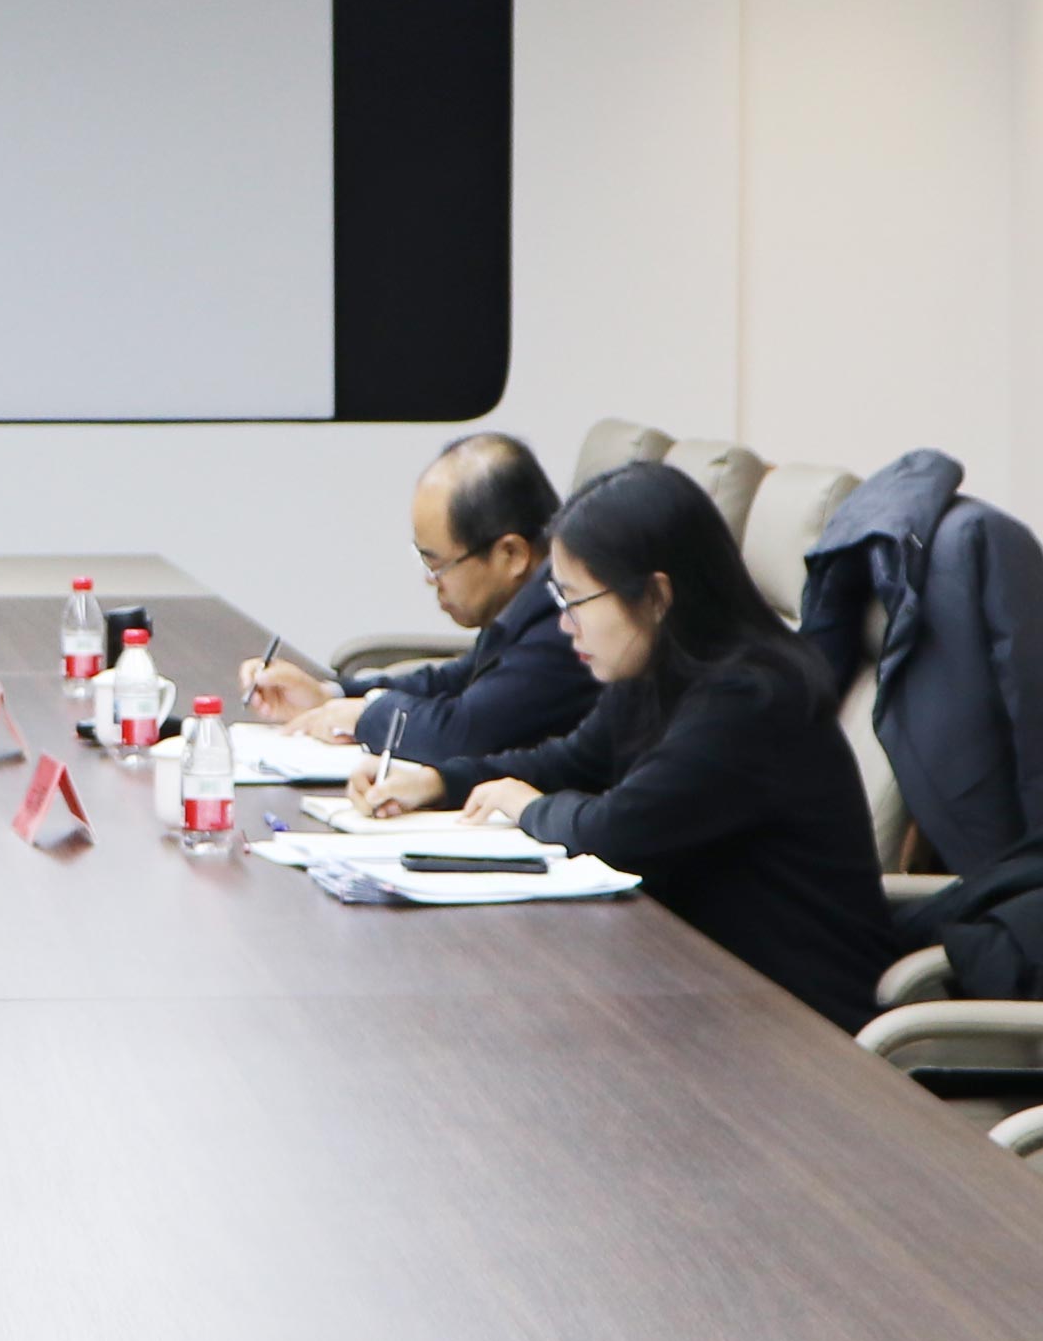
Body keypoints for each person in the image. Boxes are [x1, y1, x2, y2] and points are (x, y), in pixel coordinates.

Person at [445, 461, 895, 1031]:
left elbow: (614, 832)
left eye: (577, 601)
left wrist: (526, 807)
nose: (565, 627)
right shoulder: (662, 666)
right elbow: (571, 762)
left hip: (798, 1026)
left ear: (655, 595)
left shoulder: (751, 699)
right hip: (704, 991)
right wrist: (440, 781)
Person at [252, 432, 591, 797]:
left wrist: (365, 717)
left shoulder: (564, 621)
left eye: (439, 565)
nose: (431, 581)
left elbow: (462, 733)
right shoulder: (527, 602)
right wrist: (330, 695)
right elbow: (457, 680)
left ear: (512, 555)